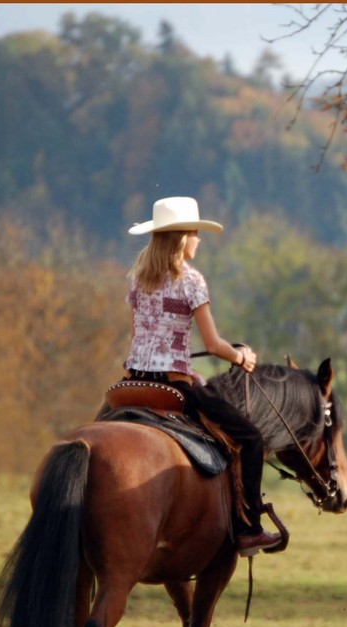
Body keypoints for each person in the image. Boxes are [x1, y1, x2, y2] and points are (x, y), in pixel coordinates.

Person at [124, 196, 281, 557]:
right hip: (173, 385)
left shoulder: (137, 280)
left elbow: (138, 337)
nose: (199, 239)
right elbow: (212, 344)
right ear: (181, 238)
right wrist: (241, 356)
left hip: (133, 382)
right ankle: (248, 529)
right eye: (195, 233)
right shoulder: (191, 281)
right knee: (251, 438)